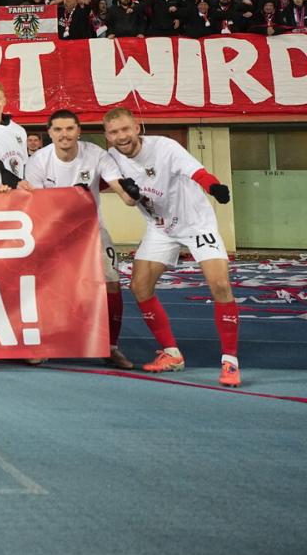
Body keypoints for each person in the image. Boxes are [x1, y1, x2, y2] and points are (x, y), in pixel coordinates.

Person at [101, 107, 241, 387]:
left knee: (220, 285)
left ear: (137, 127)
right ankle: (172, 353)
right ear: (107, 136)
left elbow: (197, 172)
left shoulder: (165, 147)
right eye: (114, 132)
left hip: (196, 224)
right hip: (161, 228)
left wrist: (214, 187)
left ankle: (230, 361)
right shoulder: (112, 159)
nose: (121, 136)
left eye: (125, 129)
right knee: (140, 287)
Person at [25, 110, 133, 370]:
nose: (64, 135)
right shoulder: (39, 161)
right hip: (53, 232)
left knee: (111, 284)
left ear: (78, 131)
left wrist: (129, 197)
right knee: (43, 287)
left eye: (69, 129)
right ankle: (43, 343)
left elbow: (117, 183)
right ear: (49, 133)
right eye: (58, 130)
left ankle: (111, 347)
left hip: (92, 230)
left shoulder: (96, 155)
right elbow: (36, 202)